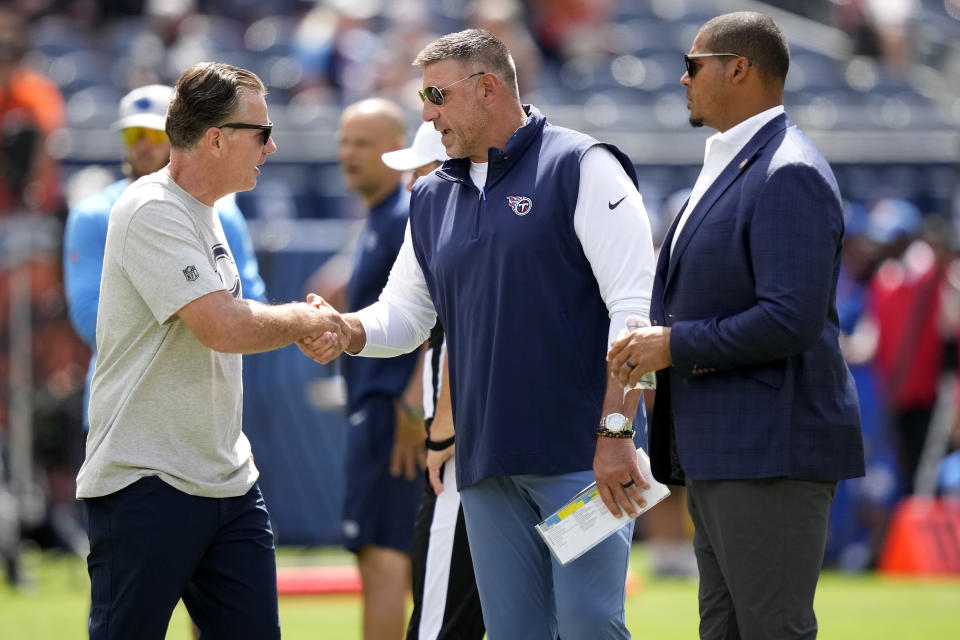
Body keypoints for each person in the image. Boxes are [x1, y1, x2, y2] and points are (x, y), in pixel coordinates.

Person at [301, 28, 657, 640]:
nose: (425, 111)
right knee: (515, 633)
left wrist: (617, 433)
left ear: (488, 87)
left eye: (436, 93)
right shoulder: (433, 194)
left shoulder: (582, 165)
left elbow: (634, 313)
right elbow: (405, 315)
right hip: (486, 464)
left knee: (590, 624)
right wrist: (347, 330)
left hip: (584, 459)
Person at [607, 12, 865, 639]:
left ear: (738, 69)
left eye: (693, 65)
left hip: (770, 453)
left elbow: (789, 319)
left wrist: (673, 344)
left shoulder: (789, 170)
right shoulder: (737, 162)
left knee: (770, 629)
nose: (681, 78)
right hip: (724, 451)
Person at [75, 61, 347, 640]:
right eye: (263, 132)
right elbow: (220, 326)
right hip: (145, 480)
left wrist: (296, 324)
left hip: (226, 478)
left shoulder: (208, 211)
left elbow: (231, 323)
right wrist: (304, 319)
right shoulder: (152, 208)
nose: (272, 147)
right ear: (217, 137)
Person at [64, 83, 267, 432]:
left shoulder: (224, 212)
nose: (142, 144)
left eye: (152, 133)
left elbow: (250, 299)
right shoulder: (94, 214)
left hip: (206, 416)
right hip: (122, 412)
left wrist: (212, 321)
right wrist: (210, 321)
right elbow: (89, 318)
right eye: (133, 134)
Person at [322, 98, 426, 640]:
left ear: (395, 148)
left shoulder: (405, 213)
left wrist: (413, 402)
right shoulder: (381, 217)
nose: (348, 154)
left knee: (382, 556)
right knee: (398, 556)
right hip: (384, 405)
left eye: (362, 143)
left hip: (392, 410)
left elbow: (440, 315)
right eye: (344, 141)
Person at [379, 123, 485, 640]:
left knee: (440, 626)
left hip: (463, 456)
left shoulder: (460, 232)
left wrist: (442, 430)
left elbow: (467, 336)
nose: (409, 188)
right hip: (512, 449)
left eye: (419, 173)